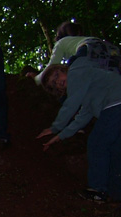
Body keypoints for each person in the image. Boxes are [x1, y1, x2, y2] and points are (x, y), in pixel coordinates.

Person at [36, 59, 121, 203]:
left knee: (96, 143)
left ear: (63, 70)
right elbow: (82, 117)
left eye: (57, 76)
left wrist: (55, 127)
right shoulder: (85, 91)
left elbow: (71, 106)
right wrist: (59, 136)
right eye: (54, 84)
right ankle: (115, 192)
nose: (58, 82)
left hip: (116, 103)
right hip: (114, 108)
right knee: (114, 150)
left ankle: (98, 190)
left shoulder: (76, 71)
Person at [28, 21, 121, 85]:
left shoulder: (61, 43)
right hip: (111, 51)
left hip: (88, 49)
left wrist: (36, 80)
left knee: (70, 73)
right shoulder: (84, 39)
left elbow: (52, 66)